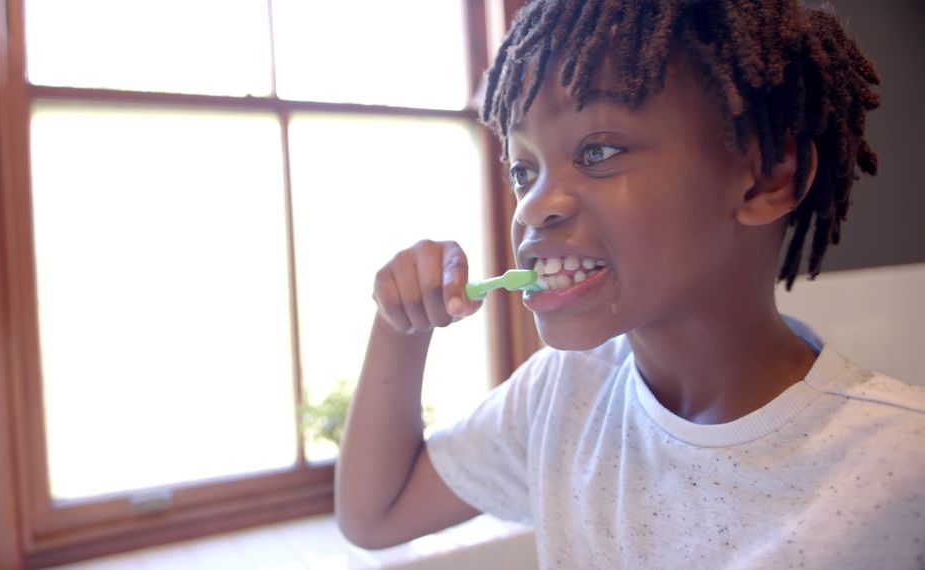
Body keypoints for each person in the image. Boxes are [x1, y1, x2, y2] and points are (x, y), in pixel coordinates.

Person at [335, 0, 925, 568]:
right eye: (523, 169)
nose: (532, 207)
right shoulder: (564, 394)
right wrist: (400, 327)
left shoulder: (900, 464)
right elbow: (375, 516)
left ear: (764, 178)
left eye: (598, 150)